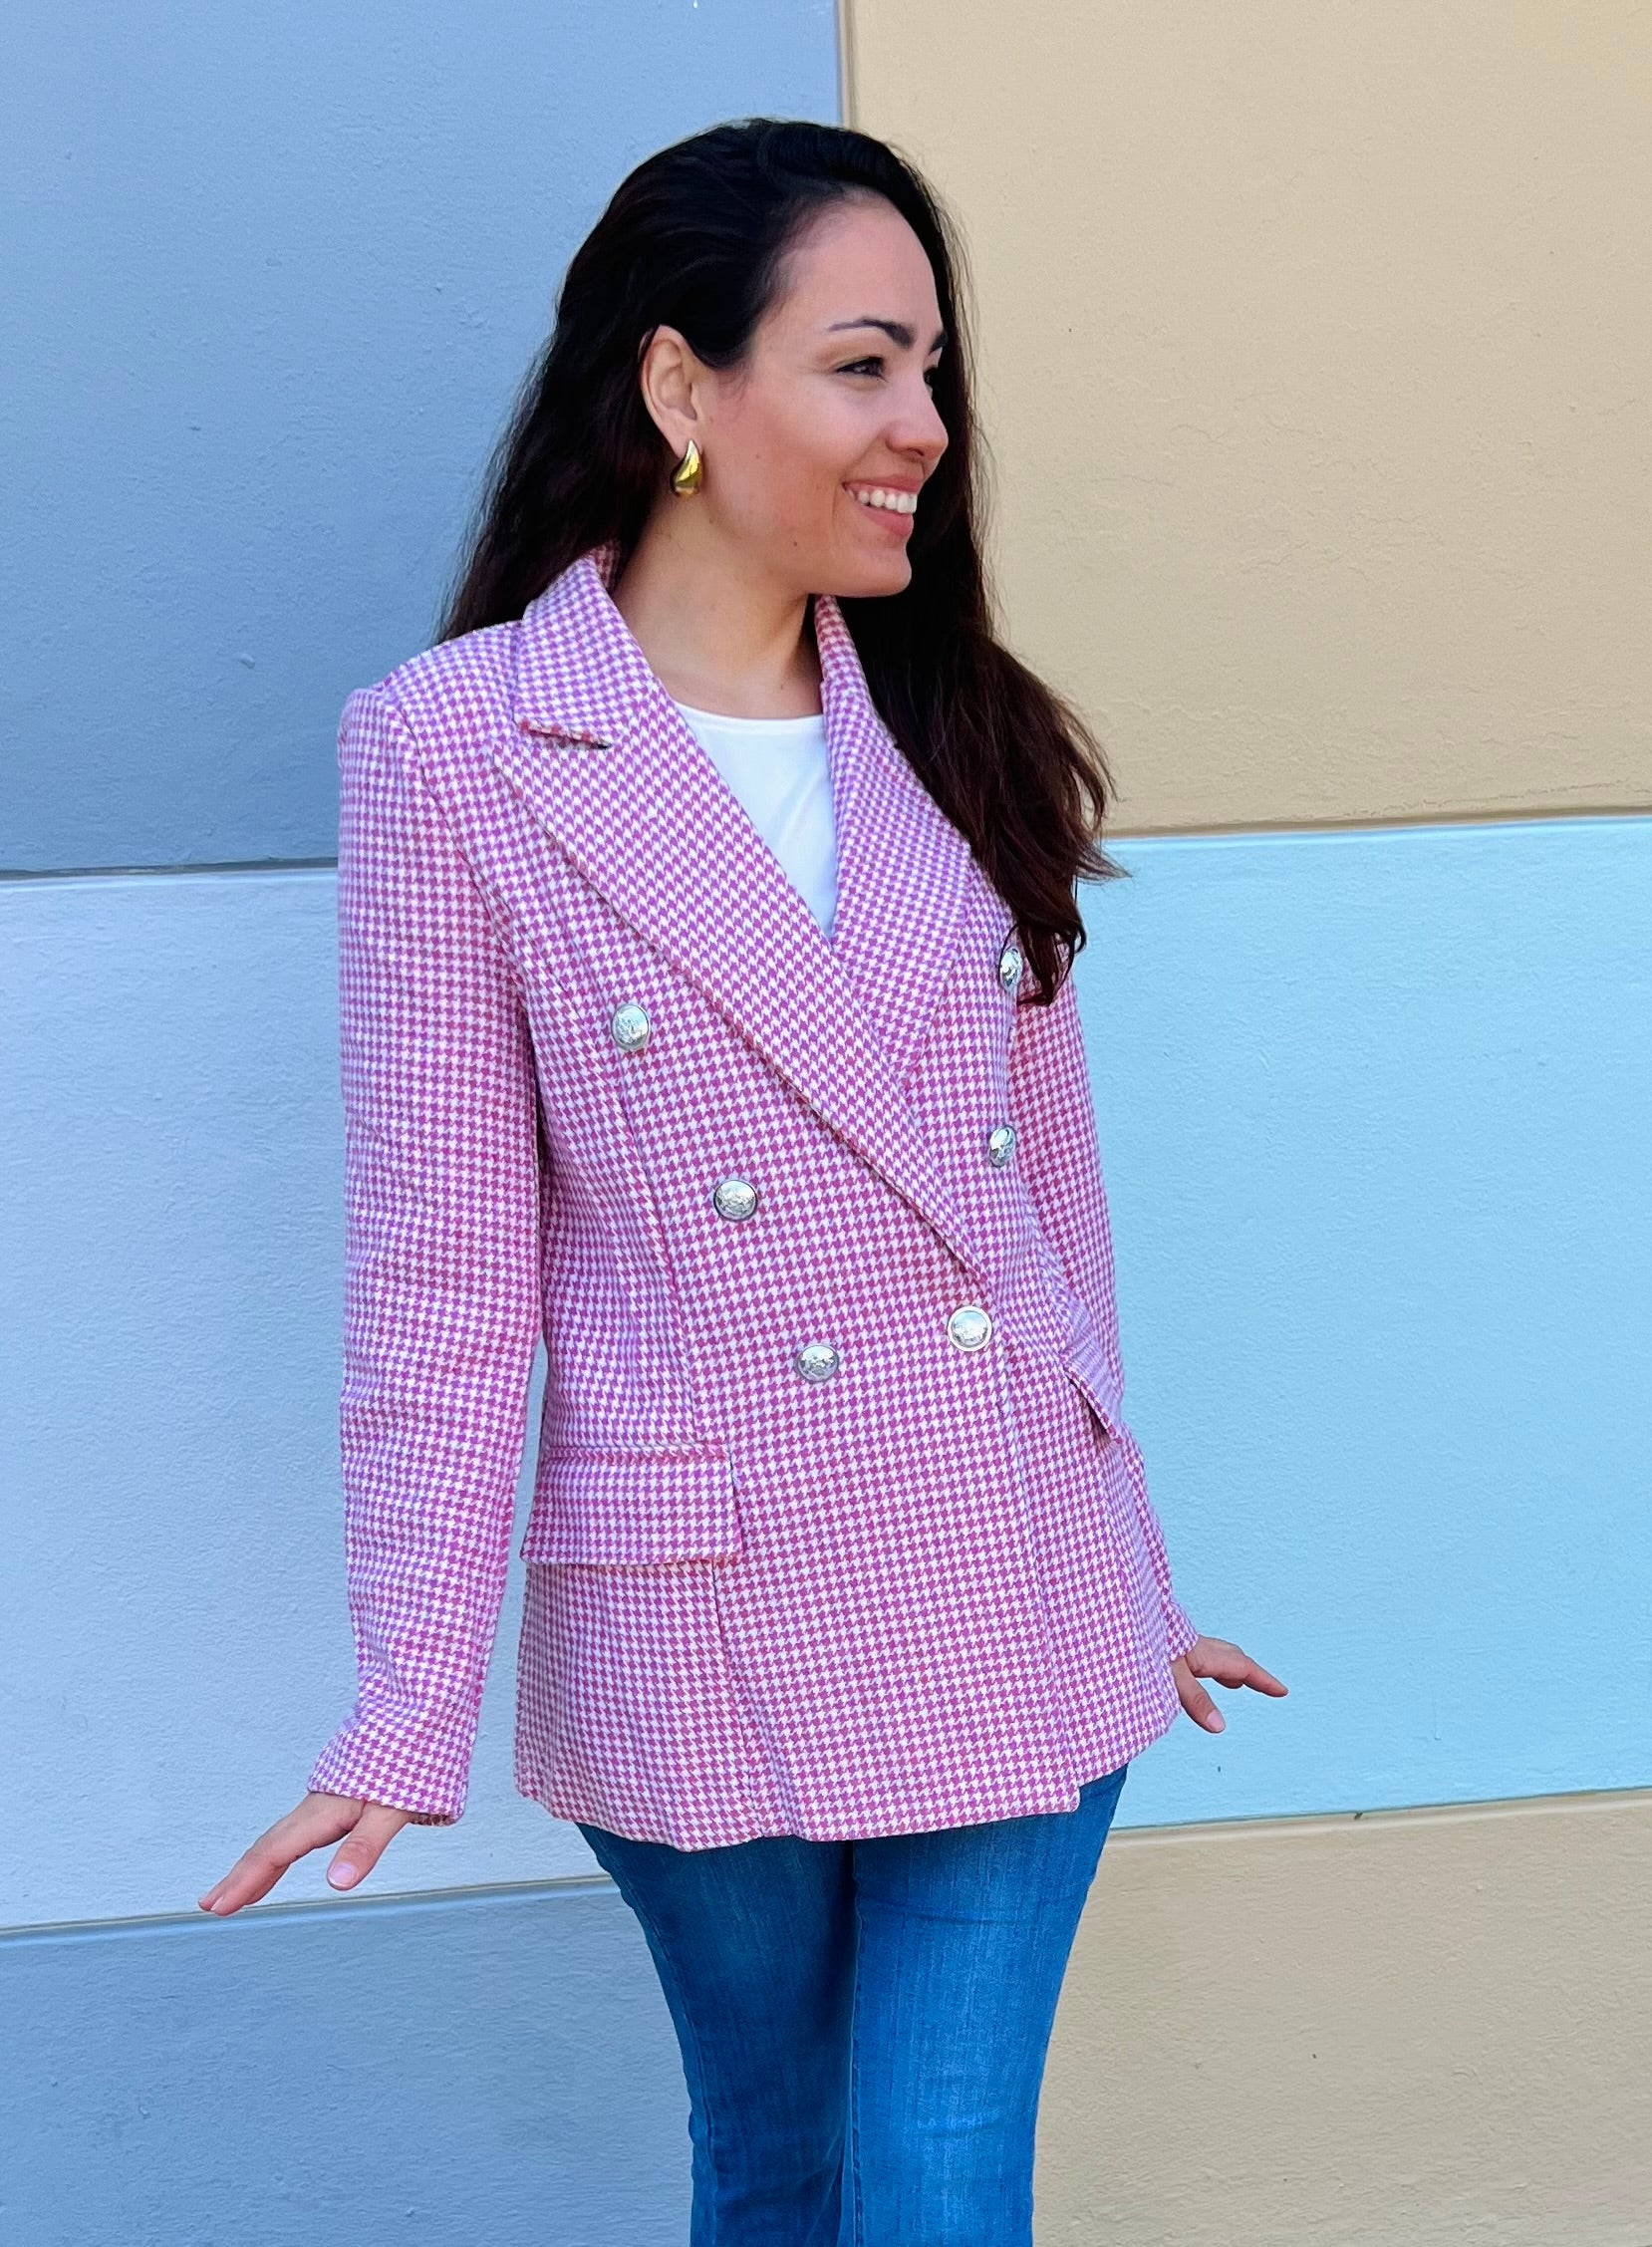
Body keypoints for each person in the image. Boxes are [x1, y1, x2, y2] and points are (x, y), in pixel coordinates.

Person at [200, 117, 1287, 2242]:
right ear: (681, 388)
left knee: (937, 2190)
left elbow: (1047, 1226)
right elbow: (443, 1276)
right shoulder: (456, 748)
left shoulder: (957, 721)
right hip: (703, 1610)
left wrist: (1131, 1574)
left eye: (937, 375)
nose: (926, 432)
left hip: (1009, 1576)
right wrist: (409, 1698)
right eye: (865, 366)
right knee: (772, 2167)